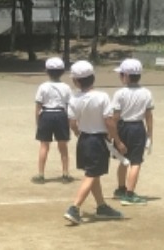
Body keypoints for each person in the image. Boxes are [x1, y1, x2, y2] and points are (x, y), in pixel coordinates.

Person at [64, 60, 125, 225]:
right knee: (92, 174)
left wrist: (78, 133)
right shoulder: (102, 96)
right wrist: (118, 141)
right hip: (98, 140)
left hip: (84, 139)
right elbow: (109, 121)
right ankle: (74, 208)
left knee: (93, 173)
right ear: (93, 77)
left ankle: (101, 206)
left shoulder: (73, 98)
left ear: (76, 81)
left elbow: (72, 122)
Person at [112, 59, 154, 205]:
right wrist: (149, 135)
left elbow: (115, 116)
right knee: (135, 162)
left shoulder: (119, 93)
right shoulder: (146, 93)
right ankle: (129, 193)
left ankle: (121, 188)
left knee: (124, 159)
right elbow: (148, 115)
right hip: (137, 127)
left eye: (121, 74)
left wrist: (113, 135)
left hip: (122, 127)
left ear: (127, 76)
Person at [32, 57, 73, 184]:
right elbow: (68, 105)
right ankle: (65, 174)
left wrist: (38, 122)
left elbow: (38, 106)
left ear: (47, 71)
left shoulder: (43, 86)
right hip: (61, 114)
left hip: (46, 114)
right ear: (62, 71)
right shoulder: (66, 87)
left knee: (44, 145)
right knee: (63, 145)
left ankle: (41, 174)